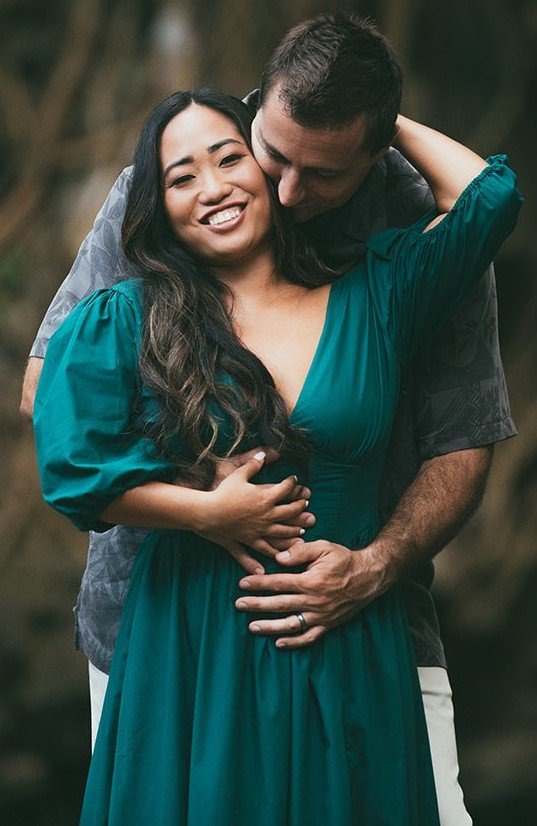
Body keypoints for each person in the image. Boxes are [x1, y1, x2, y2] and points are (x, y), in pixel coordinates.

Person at [21, 13, 516, 823]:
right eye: (270, 154)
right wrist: (204, 495)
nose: (282, 191)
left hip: (364, 611)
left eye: (321, 172)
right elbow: (56, 410)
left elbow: (462, 436)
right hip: (169, 633)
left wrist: (374, 566)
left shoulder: (394, 254)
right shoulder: (161, 218)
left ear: (371, 150)